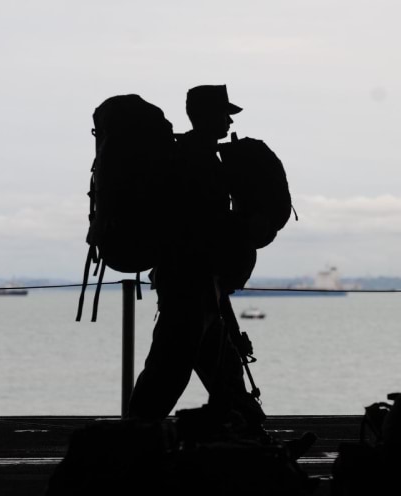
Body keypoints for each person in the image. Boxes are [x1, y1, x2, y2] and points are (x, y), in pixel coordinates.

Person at [127, 85, 265, 435]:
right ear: (204, 116)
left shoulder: (198, 155)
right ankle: (132, 443)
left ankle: (256, 440)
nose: (229, 119)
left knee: (225, 372)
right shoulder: (193, 159)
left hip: (201, 285)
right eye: (224, 112)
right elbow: (201, 225)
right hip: (190, 284)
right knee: (168, 373)